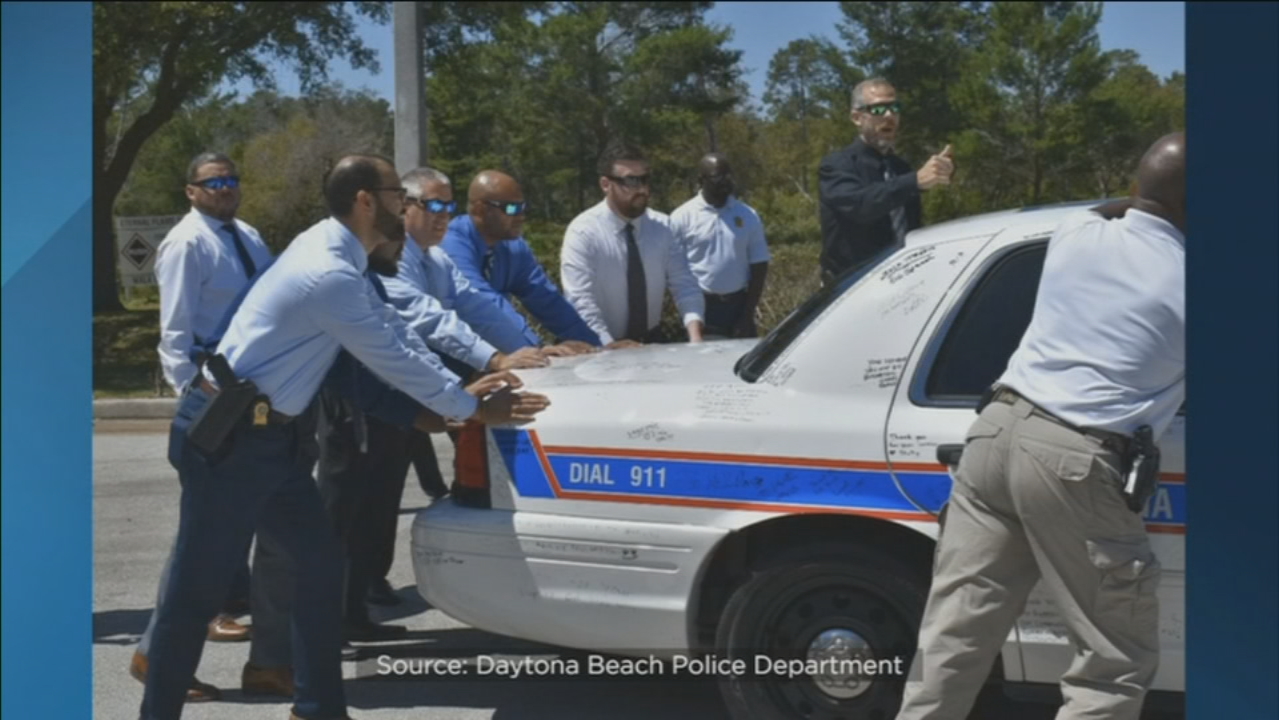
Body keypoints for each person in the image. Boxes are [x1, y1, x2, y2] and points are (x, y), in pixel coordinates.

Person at [139, 153, 550, 720]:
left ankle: (318, 709)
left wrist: (453, 402)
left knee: (318, 567)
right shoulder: (328, 272)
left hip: (274, 442)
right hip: (230, 440)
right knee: (194, 594)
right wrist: (468, 407)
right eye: (395, 196)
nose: (404, 207)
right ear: (365, 201)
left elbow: (377, 345)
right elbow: (390, 354)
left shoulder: (338, 254)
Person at [895, 132, 1186, 720]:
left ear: (1136, 188)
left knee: (951, 640)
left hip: (995, 434)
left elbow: (1106, 209)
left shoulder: (1077, 234)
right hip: (1076, 459)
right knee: (1112, 663)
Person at [316, 166, 549, 626]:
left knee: (380, 502)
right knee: (345, 509)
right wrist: (491, 365)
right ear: (405, 206)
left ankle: (357, 605)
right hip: (361, 397)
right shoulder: (387, 256)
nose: (445, 217)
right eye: (434, 205)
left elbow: (476, 307)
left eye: (450, 207)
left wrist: (530, 352)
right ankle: (324, 621)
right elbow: (422, 320)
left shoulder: (435, 258)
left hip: (404, 395)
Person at [137, 151, 269, 702]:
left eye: (232, 180)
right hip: (214, 394)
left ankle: (237, 617)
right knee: (204, 533)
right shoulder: (188, 243)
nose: (225, 189)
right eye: (213, 183)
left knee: (230, 522)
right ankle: (158, 655)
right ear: (190, 191)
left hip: (256, 394)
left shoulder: (250, 235)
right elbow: (175, 330)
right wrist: (192, 400)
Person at [438, 170, 603, 355]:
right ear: (480, 210)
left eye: (522, 207)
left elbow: (547, 300)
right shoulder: (451, 245)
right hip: (449, 363)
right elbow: (484, 304)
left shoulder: (514, 247)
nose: (521, 216)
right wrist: (535, 349)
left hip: (496, 355)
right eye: (511, 209)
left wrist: (595, 346)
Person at [560, 142, 707, 345]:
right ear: (605, 184)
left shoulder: (663, 227)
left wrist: (695, 335)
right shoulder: (582, 232)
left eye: (645, 179)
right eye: (631, 180)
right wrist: (608, 345)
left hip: (651, 341)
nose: (642, 189)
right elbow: (580, 300)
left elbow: (684, 284)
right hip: (599, 345)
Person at [817, 78, 953, 286]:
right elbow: (861, 206)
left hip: (903, 281)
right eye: (878, 110)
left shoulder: (900, 168)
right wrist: (915, 181)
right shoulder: (836, 166)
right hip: (851, 287)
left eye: (895, 108)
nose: (889, 116)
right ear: (856, 117)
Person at [669, 153, 770, 339]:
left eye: (728, 175)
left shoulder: (748, 215)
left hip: (739, 305)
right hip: (701, 307)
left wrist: (747, 314)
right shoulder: (681, 217)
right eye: (718, 176)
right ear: (701, 180)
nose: (726, 181)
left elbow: (759, 264)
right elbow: (675, 272)